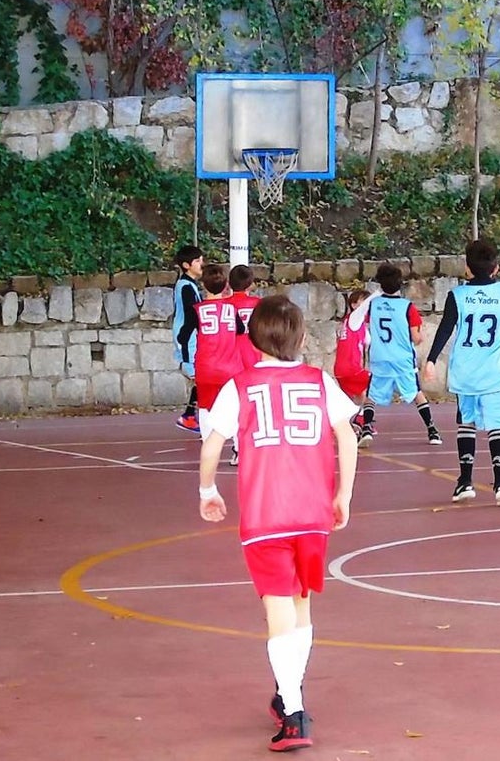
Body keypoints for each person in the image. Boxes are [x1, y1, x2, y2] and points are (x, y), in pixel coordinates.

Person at [197, 295, 359, 753]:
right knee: (300, 605)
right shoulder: (320, 381)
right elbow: (347, 434)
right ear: (303, 337)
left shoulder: (240, 386)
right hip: (312, 514)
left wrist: (208, 490)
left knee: (277, 611)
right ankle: (289, 693)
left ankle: (294, 713)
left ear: (251, 340)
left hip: (266, 514)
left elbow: (211, 446)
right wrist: (342, 494)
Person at [424, 238, 500, 504]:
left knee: (466, 423)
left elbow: (445, 329)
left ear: (467, 268)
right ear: (497, 268)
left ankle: (465, 482)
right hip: (496, 372)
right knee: (497, 425)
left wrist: (431, 359)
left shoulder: (457, 295)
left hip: (466, 372)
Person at [361, 263, 442, 447]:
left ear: (380, 284)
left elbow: (365, 328)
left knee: (372, 393)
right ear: (400, 284)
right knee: (415, 393)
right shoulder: (407, 307)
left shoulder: (373, 305)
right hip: (402, 358)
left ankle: (366, 428)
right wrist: (421, 337)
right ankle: (432, 430)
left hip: (379, 356)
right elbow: (415, 337)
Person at [193, 263, 245, 446]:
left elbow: (185, 334)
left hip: (206, 366)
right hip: (231, 367)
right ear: (225, 286)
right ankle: (239, 448)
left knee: (206, 406)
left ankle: (209, 447)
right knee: (235, 406)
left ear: (203, 285)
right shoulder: (231, 309)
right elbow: (241, 329)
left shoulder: (196, 310)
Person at [333, 288, 374, 442]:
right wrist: (381, 291)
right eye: (363, 302)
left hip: (344, 367)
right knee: (375, 386)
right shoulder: (353, 319)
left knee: (360, 396)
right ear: (354, 304)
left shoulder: (356, 323)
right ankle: (361, 420)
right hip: (350, 367)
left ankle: (356, 424)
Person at [172, 245, 204, 434]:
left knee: (201, 378)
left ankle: (190, 414)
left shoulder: (189, 285)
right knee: (200, 377)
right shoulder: (185, 286)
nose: (202, 264)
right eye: (198, 261)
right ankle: (189, 416)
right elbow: (192, 314)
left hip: (190, 336)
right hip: (187, 337)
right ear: (186, 265)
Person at [227, 264, 262, 371]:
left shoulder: (225, 304)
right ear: (250, 284)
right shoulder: (258, 303)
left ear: (229, 283)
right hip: (254, 351)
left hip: (230, 352)